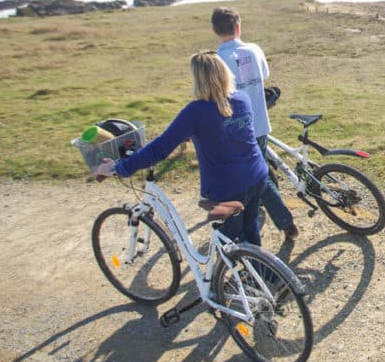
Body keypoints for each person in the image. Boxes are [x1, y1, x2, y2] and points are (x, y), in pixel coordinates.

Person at [94, 51, 268, 246]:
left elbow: (159, 149)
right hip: (257, 175)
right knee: (250, 229)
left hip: (228, 188)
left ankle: (244, 272)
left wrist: (117, 168)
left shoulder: (195, 111)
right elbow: (226, 130)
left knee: (232, 243)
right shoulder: (242, 98)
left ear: (197, 80)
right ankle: (264, 273)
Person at [211, 6, 298, 241]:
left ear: (214, 30)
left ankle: (285, 222)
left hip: (236, 131)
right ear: (238, 27)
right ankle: (280, 222)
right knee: (259, 175)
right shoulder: (254, 50)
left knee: (259, 178)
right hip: (260, 123)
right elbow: (265, 76)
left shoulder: (216, 60)